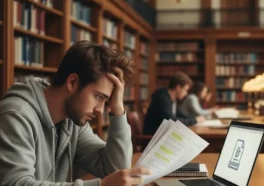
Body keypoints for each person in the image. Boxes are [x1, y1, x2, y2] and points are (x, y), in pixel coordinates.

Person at [0, 41, 151, 186]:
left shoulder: (72, 120)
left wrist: (118, 109)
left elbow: (115, 170)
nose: (100, 110)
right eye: (99, 96)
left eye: (106, 101)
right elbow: (16, 183)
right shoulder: (15, 115)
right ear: (72, 82)